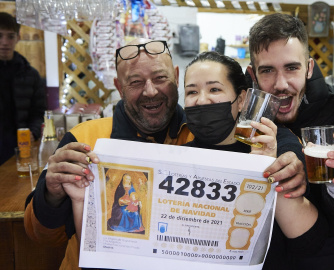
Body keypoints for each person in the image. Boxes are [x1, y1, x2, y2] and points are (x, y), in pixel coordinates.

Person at [23, 38, 315, 269]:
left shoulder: (202, 134)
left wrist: (288, 162)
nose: (150, 91)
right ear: (119, 88)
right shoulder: (88, 138)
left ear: (174, 78)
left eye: (160, 78)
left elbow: (277, 144)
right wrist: (51, 192)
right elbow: (41, 236)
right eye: (136, 82)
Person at [183, 51, 334, 266]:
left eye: (214, 89)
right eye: (191, 92)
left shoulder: (276, 146)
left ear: (242, 99)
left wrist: (266, 169)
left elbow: (310, 242)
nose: (201, 100)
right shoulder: (179, 156)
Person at [246, 13, 334, 269]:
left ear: (309, 68)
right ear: (252, 74)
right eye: (267, 70)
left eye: (292, 68)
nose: (281, 84)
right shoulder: (244, 119)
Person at [0, 12, 46, 165]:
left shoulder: (30, 74)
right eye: (0, 36)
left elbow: (38, 111)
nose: (5, 42)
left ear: (18, 38)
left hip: (21, 148)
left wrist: (33, 132)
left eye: (10, 36)